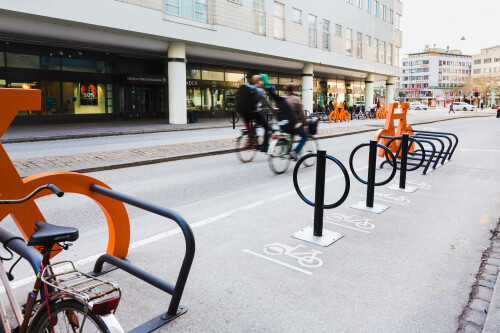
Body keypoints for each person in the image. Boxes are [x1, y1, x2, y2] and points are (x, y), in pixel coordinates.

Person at [237, 75, 274, 152]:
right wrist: (273, 108)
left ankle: (251, 140)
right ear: (259, 82)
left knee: (252, 128)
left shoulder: (246, 88)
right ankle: (264, 147)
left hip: (244, 113)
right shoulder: (260, 90)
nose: (261, 82)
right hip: (254, 112)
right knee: (267, 128)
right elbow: (267, 102)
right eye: (261, 81)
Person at [283, 83, 308, 161]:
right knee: (305, 136)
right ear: (293, 90)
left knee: (292, 134)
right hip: (294, 123)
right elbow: (302, 114)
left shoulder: (282, 98)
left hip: (284, 123)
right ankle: (295, 152)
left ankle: (288, 151)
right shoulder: (296, 99)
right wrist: (306, 124)